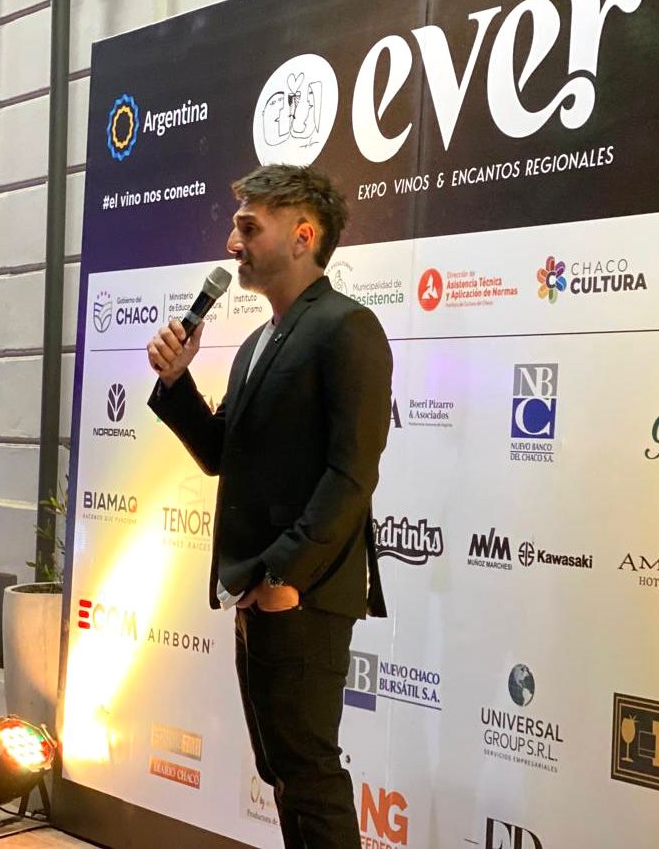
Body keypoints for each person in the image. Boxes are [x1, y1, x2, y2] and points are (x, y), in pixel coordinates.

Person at [146, 164, 391, 848]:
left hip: (301, 595)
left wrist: (283, 575)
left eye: (248, 228)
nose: (233, 244)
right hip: (256, 589)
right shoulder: (258, 343)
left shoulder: (348, 327)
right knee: (280, 769)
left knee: (307, 773)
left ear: (303, 236)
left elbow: (351, 474)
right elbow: (220, 451)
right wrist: (176, 382)